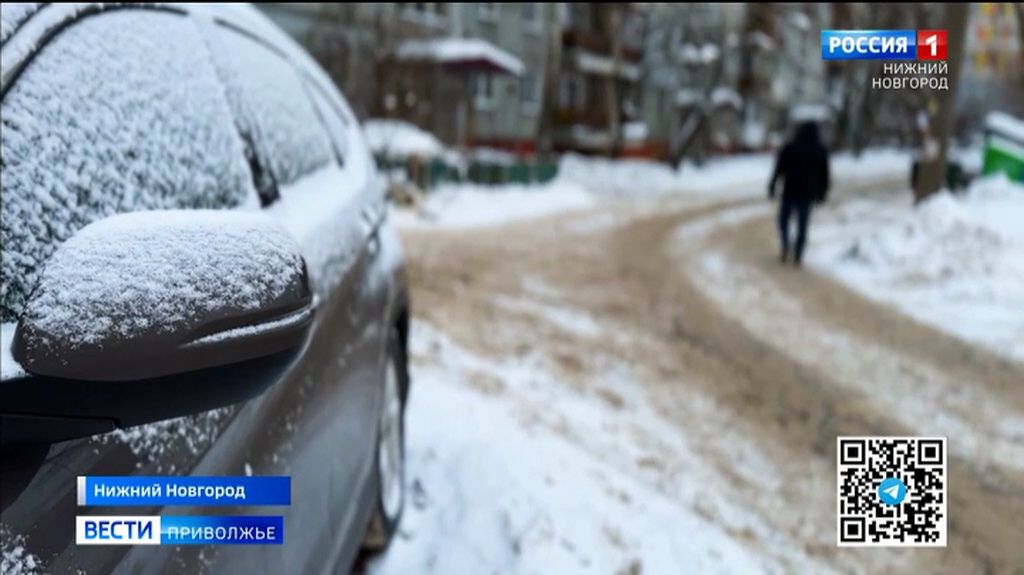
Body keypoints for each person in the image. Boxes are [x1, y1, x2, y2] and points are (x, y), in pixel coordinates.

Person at [768, 122, 830, 266]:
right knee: (803, 225)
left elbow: (779, 168)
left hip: (789, 191)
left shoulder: (790, 148)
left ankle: (785, 243)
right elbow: (824, 175)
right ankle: (798, 253)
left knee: (783, 220)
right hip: (807, 194)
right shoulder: (820, 150)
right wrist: (822, 193)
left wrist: (772, 185)